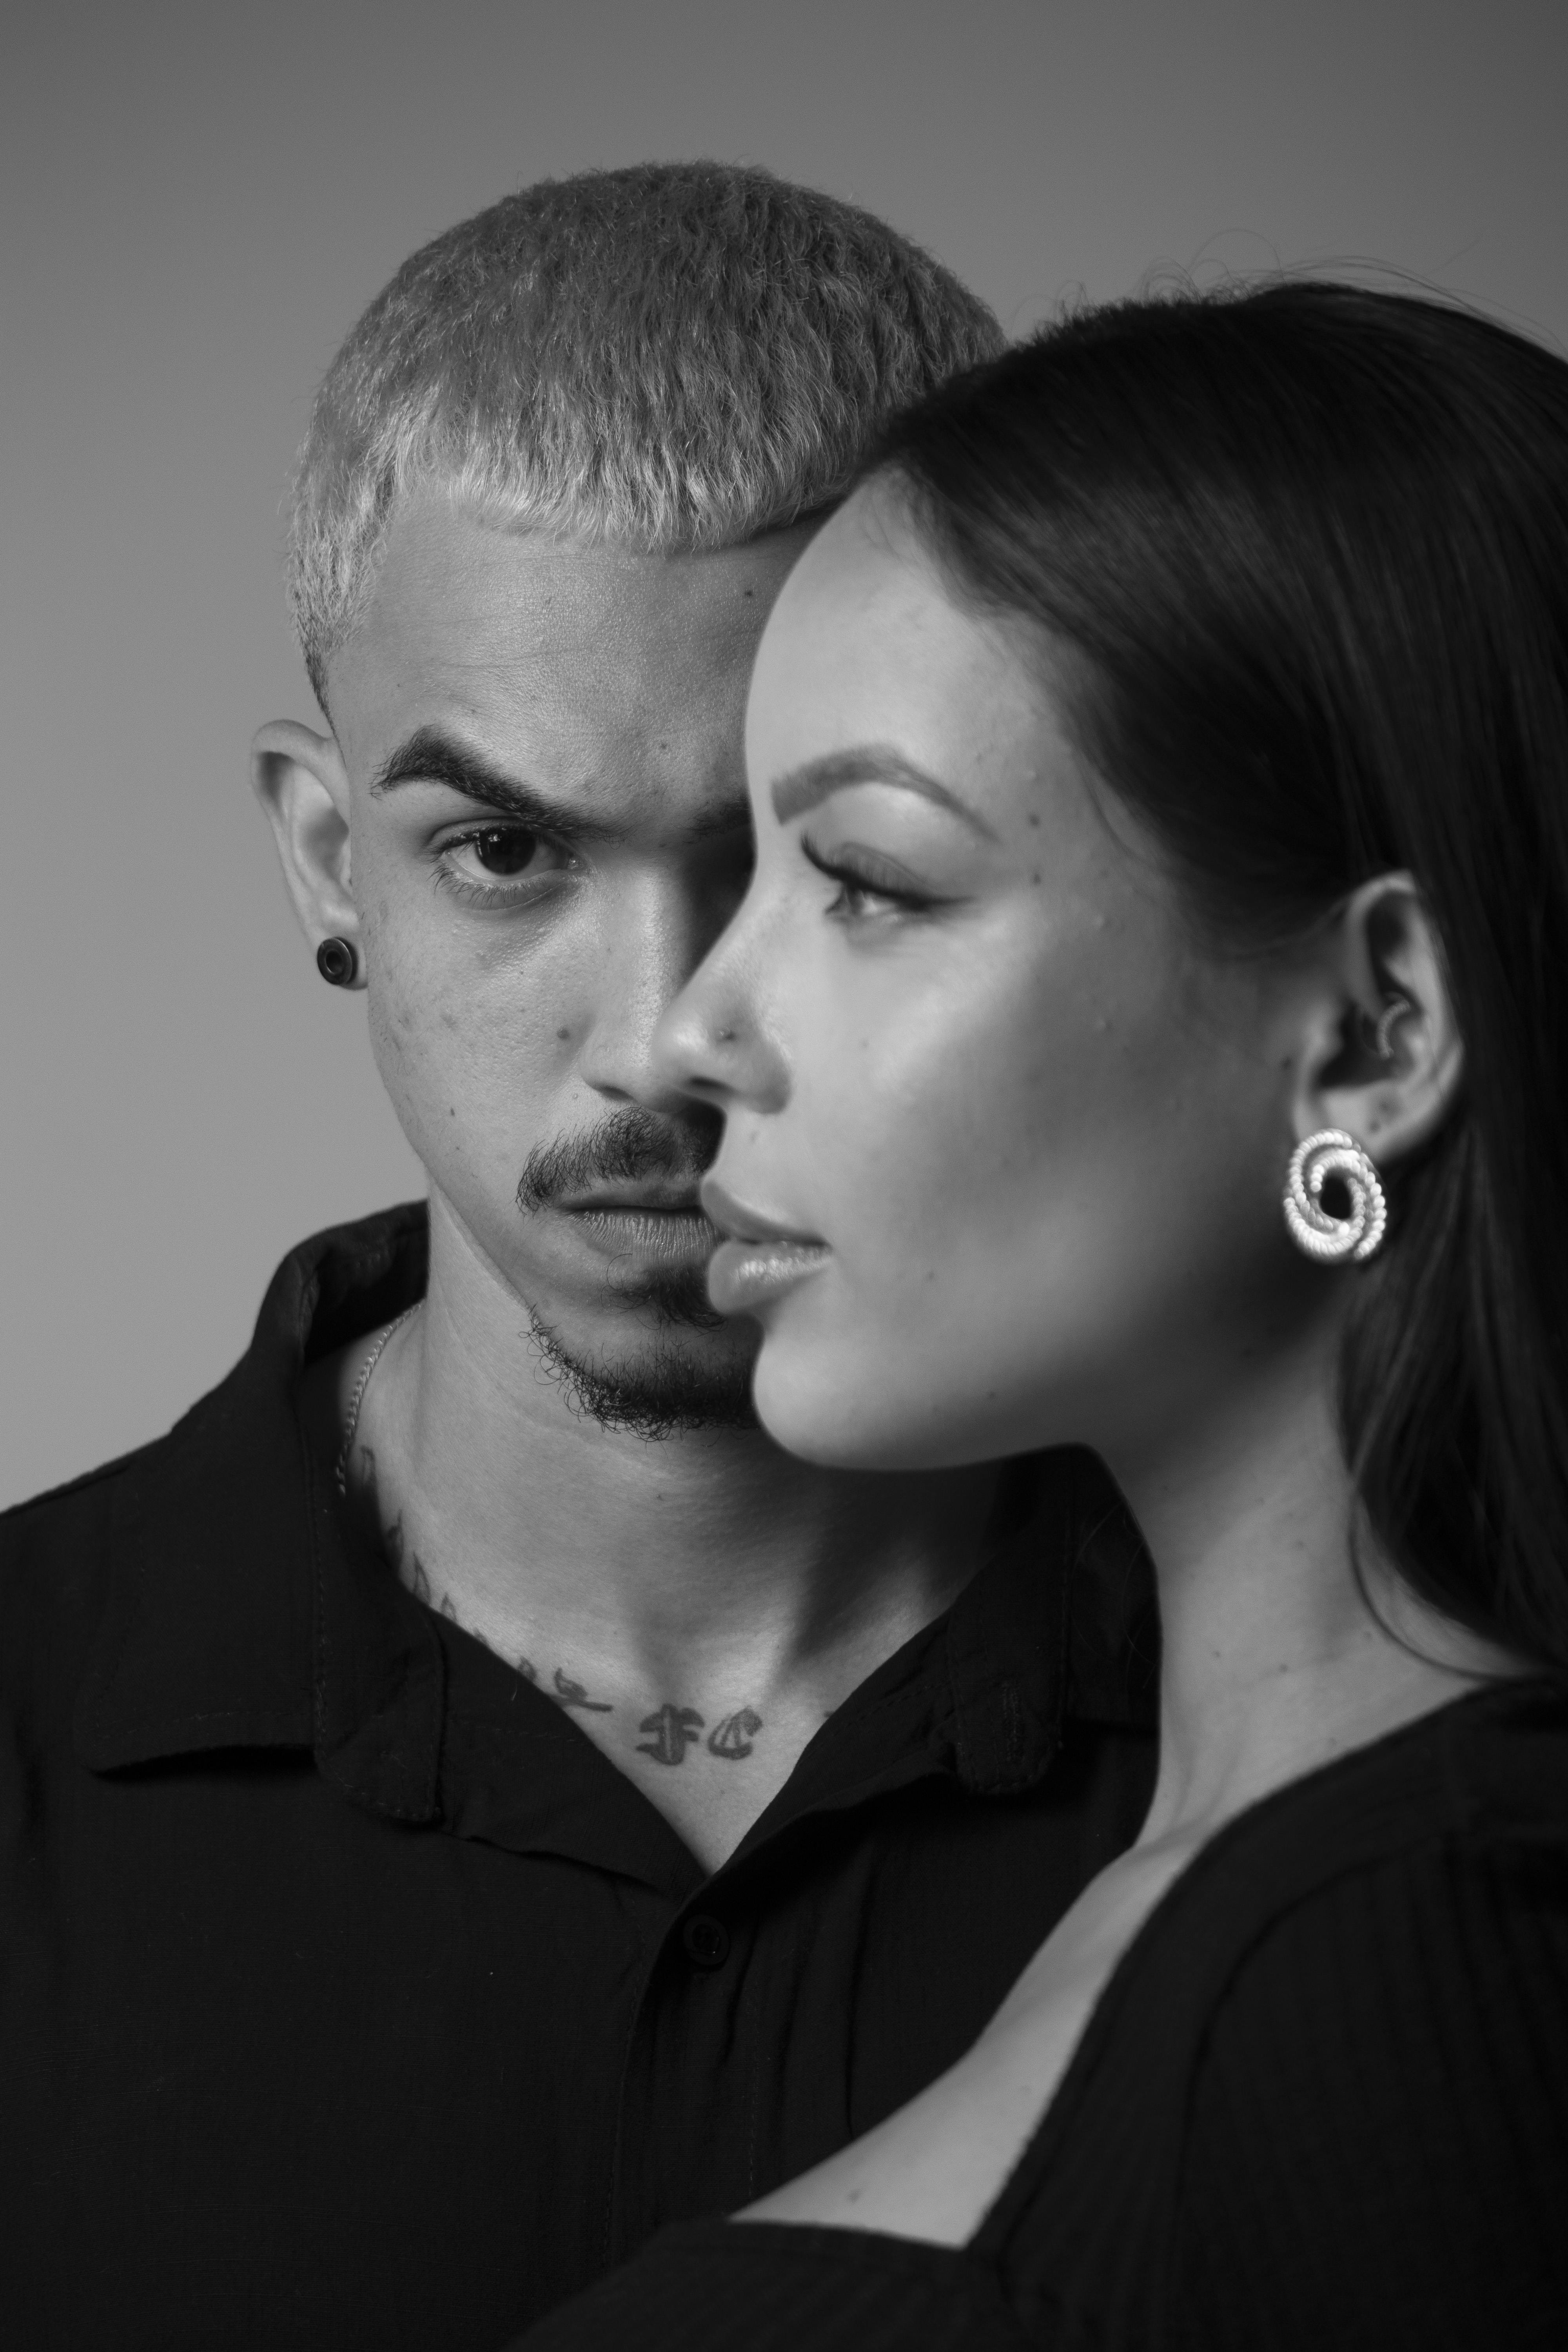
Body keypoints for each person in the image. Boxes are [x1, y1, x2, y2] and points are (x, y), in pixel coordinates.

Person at [0, 165, 1161, 2350]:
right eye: (507, 851)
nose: (661, 1041)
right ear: (332, 863)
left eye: (823, 861)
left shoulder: (1383, 1755)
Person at [513, 283, 1568, 2350]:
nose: (693, 1033)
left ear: (1372, 1032)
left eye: (867, 881)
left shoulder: (1434, 1950)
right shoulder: (1244, 1886)